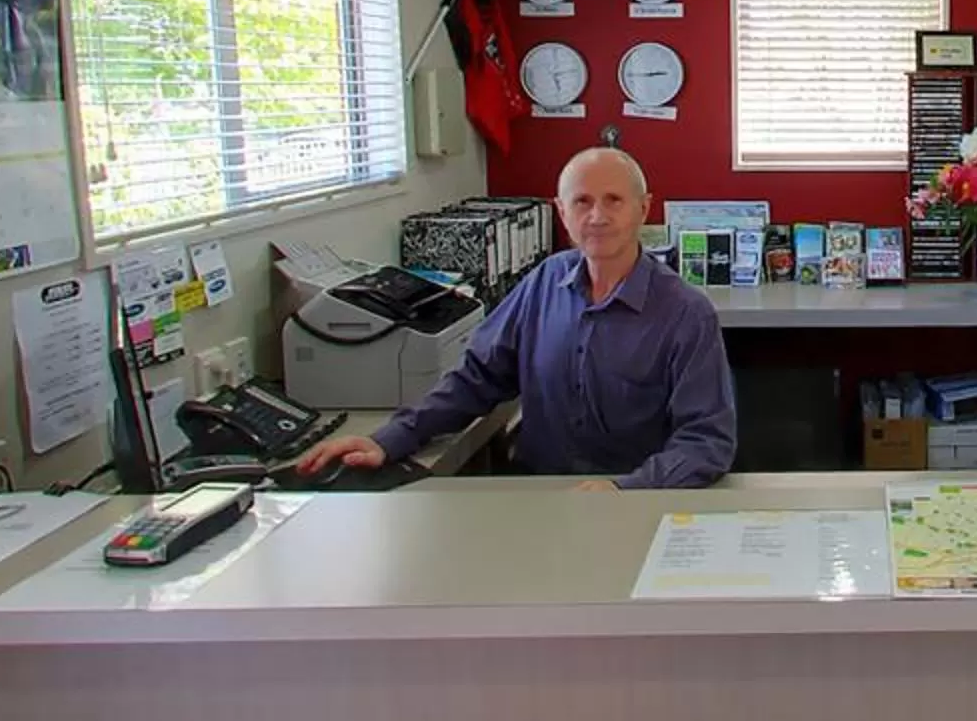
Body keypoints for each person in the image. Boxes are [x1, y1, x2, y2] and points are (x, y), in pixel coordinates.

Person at [295, 147, 736, 489]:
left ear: (644, 208)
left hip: (634, 502)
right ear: (561, 212)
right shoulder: (544, 281)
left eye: (614, 200)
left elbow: (707, 442)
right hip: (537, 494)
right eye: (581, 201)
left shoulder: (685, 314)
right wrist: (388, 439)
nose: (597, 217)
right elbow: (477, 378)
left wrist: (626, 489)